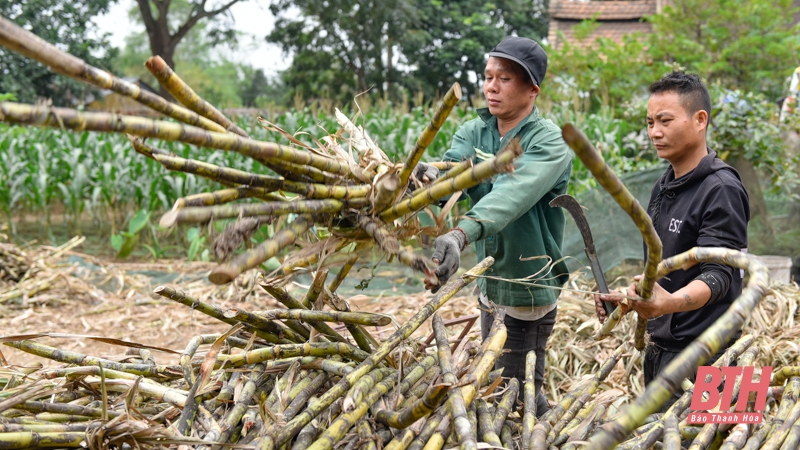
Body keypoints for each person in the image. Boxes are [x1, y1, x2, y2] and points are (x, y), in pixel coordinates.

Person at [422, 36, 574, 417]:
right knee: (498, 386)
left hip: (527, 290)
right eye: (488, 77)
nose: (491, 86)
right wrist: (421, 179)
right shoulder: (475, 132)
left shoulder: (547, 141)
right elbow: (451, 175)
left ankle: (545, 434)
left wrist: (460, 234)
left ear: (532, 90)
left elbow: (510, 195)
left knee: (517, 396)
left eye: (504, 79)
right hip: (491, 285)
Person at [595, 71, 750, 410]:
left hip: (712, 358)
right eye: (650, 122)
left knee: (714, 440)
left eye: (665, 120)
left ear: (700, 120)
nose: (654, 132)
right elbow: (665, 273)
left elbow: (721, 276)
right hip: (663, 352)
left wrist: (669, 303)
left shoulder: (721, 188)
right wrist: (630, 299)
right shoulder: (664, 184)